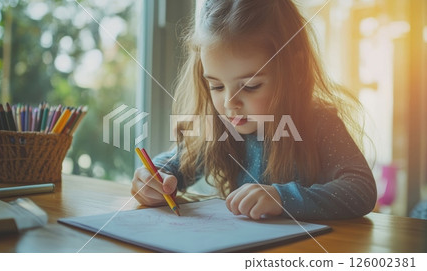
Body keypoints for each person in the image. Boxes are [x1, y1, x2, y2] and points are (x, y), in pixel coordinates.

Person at [131, 0, 377, 220]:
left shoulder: (319, 122)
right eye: (216, 85)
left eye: (250, 86)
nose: (230, 103)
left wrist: (282, 198)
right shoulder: (221, 126)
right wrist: (156, 177)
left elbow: (361, 189)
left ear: (295, 68)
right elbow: (176, 163)